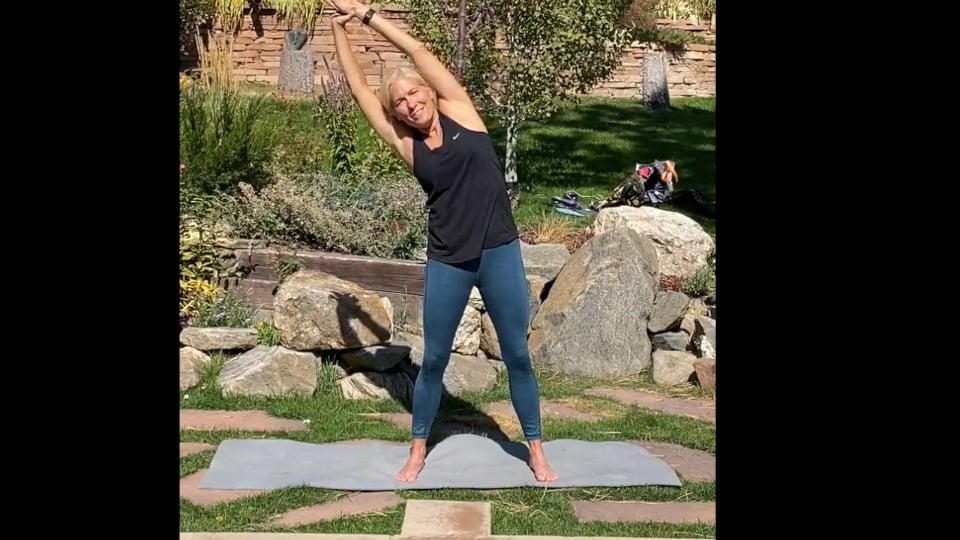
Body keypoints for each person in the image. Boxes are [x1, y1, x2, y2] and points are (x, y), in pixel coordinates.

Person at [327, 0, 558, 484]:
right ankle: (417, 452)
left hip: (498, 250)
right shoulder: (405, 143)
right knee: (433, 359)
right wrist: (339, 31)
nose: (411, 104)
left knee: (516, 353)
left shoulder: (462, 111)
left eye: (414, 93)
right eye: (401, 104)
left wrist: (365, 14)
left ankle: (535, 449)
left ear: (428, 90)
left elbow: (417, 47)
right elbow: (358, 91)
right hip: (449, 258)